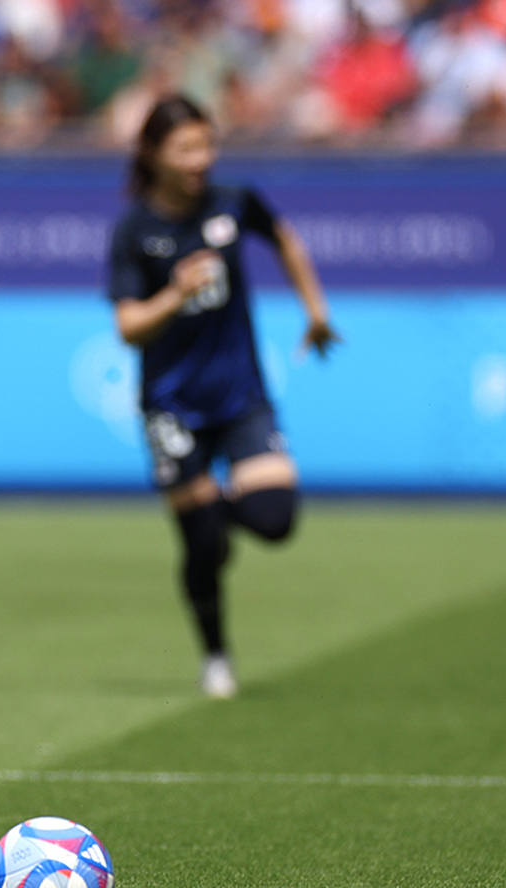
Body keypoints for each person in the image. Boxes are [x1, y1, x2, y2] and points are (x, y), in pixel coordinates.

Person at [107, 94, 337, 699]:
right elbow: (129, 327)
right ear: (153, 155)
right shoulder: (137, 229)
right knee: (204, 545)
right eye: (186, 148)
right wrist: (176, 294)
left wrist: (315, 311)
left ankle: (210, 509)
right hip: (172, 405)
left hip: (240, 397)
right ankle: (216, 657)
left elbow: (285, 239)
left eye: (207, 144)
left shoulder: (234, 203)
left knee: (275, 518)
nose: (200, 159)